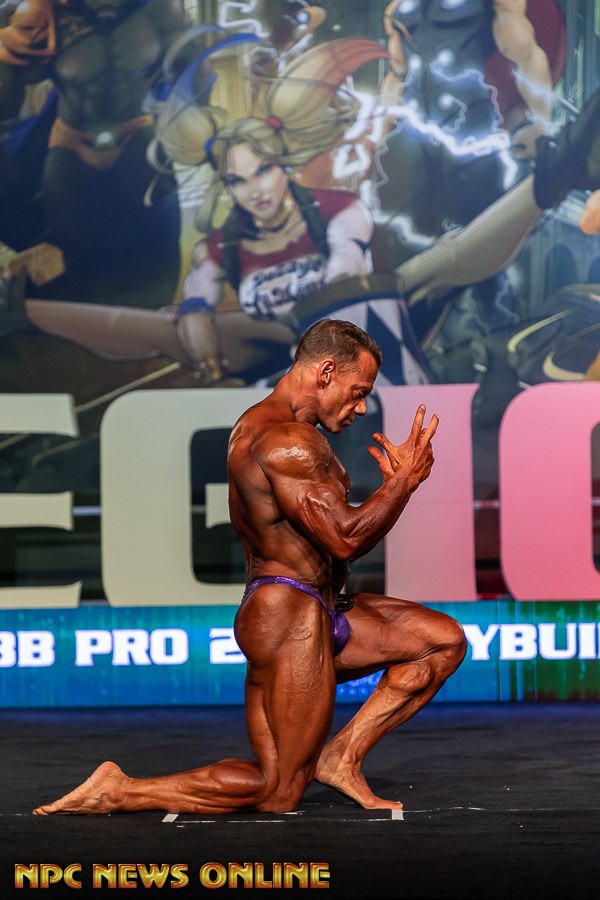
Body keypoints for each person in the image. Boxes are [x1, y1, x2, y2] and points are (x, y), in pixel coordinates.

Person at [32, 318, 467, 815]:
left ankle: (340, 758)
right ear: (326, 372)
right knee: (278, 790)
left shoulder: (276, 429)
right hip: (288, 616)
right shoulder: (286, 440)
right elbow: (345, 538)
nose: (362, 407)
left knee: (442, 642)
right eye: (358, 392)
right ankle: (121, 790)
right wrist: (402, 483)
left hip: (318, 607)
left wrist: (394, 488)